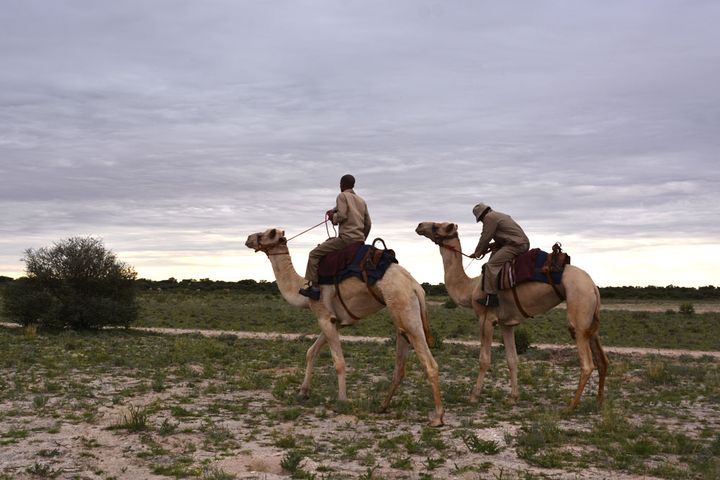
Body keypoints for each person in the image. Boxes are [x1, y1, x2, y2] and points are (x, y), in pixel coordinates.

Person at [299, 174, 372, 300]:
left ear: (342, 184)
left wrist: (333, 217)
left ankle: (315, 288)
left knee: (314, 254)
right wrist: (361, 238)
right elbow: (368, 224)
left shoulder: (342, 196)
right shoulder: (361, 201)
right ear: (353, 185)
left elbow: (342, 216)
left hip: (345, 239)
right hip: (359, 240)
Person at [469, 202, 529, 306]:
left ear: (481, 215)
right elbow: (505, 235)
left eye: (480, 220)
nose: (482, 222)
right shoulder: (498, 215)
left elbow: (485, 237)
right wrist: (489, 247)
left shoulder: (489, 218)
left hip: (516, 245)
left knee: (491, 265)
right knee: (494, 257)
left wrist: (477, 252)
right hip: (518, 243)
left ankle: (492, 297)